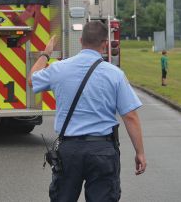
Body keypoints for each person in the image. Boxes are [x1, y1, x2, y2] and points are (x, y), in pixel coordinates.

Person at [28, 21, 146, 202]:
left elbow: (32, 80)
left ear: (81, 40)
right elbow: (130, 116)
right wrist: (140, 152)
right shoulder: (115, 74)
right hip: (103, 150)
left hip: (69, 150)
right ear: (105, 43)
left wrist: (46, 53)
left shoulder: (59, 69)